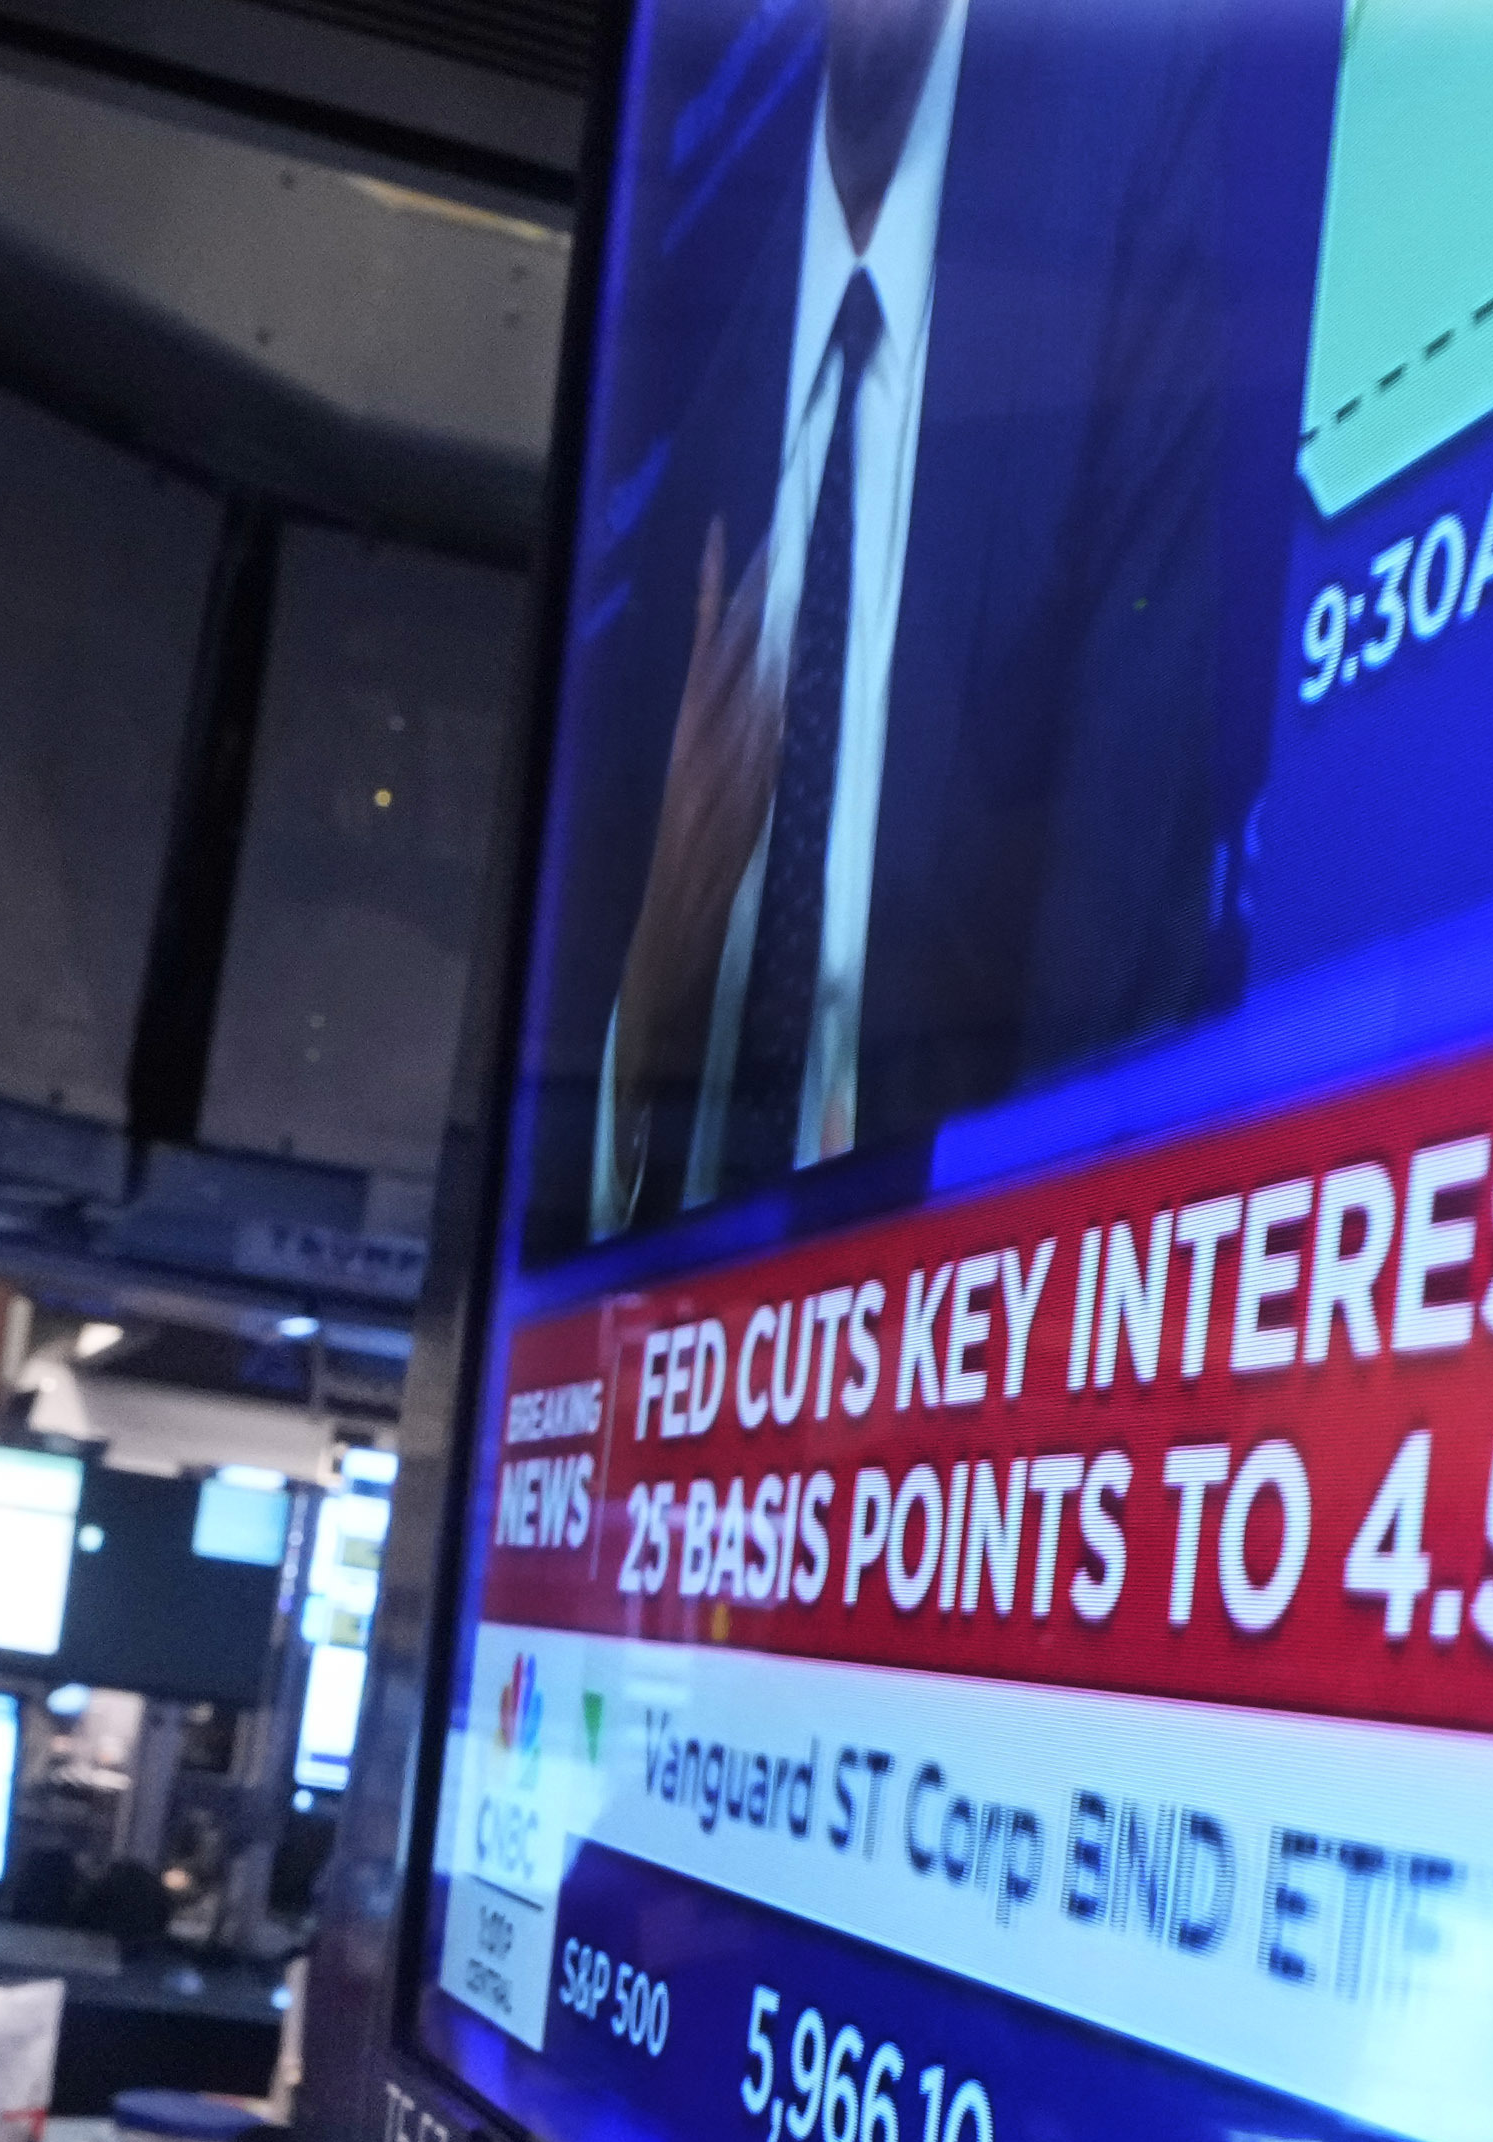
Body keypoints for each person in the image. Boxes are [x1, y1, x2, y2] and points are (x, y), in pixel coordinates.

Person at [532, 0, 1297, 1248]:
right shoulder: (691, 382)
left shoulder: (1131, 142)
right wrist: (644, 1010)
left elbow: (1121, 932)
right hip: (660, 1374)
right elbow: (562, 1145)